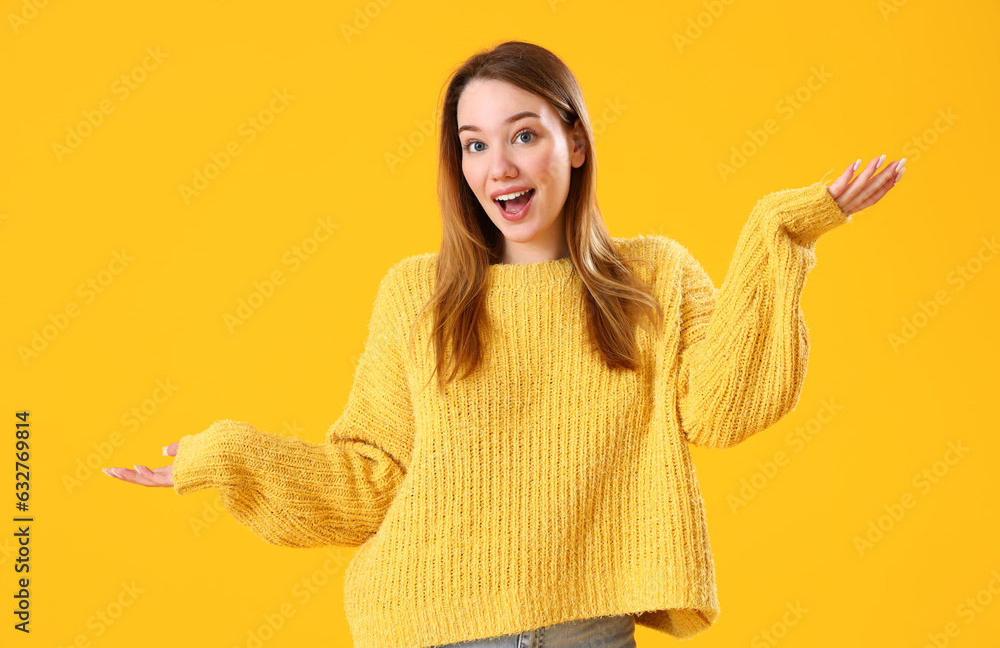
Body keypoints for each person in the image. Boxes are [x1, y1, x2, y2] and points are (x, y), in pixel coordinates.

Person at [102, 40, 905, 648]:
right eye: (474, 143)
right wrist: (231, 453)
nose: (497, 165)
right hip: (432, 626)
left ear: (575, 140)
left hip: (586, 627)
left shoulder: (652, 277)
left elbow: (726, 406)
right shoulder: (418, 294)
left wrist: (779, 233)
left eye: (523, 135)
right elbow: (369, 482)